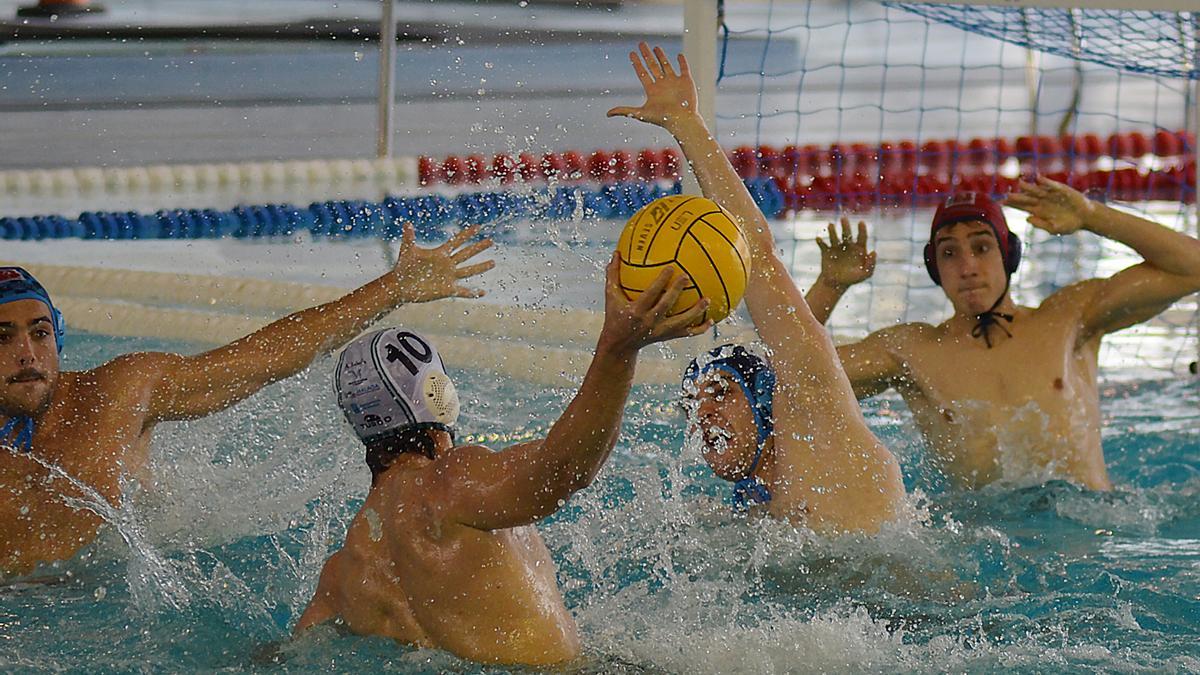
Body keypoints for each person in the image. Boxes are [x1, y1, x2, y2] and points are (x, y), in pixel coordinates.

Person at [0, 223, 494, 578]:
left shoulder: (117, 396)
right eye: (3, 338)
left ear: (58, 336)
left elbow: (264, 357)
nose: (27, 354)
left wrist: (393, 289)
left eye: (39, 333)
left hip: (104, 599)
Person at [294, 257, 711, 666]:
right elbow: (565, 470)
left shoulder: (342, 577)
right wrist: (618, 348)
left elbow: (288, 654)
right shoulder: (452, 485)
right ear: (439, 394)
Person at [609, 43, 907, 534]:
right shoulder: (749, 516)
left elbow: (759, 260)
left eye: (721, 392)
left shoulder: (825, 442)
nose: (703, 413)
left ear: (769, 402)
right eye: (694, 403)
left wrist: (687, 125)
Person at [813, 178, 1200, 490]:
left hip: (1088, 534)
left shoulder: (1069, 318)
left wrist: (1092, 215)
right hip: (988, 545)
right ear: (934, 268)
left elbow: (1192, 267)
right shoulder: (909, 352)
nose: (967, 267)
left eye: (982, 247)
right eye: (949, 253)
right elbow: (791, 378)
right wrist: (830, 286)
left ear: (1009, 254)